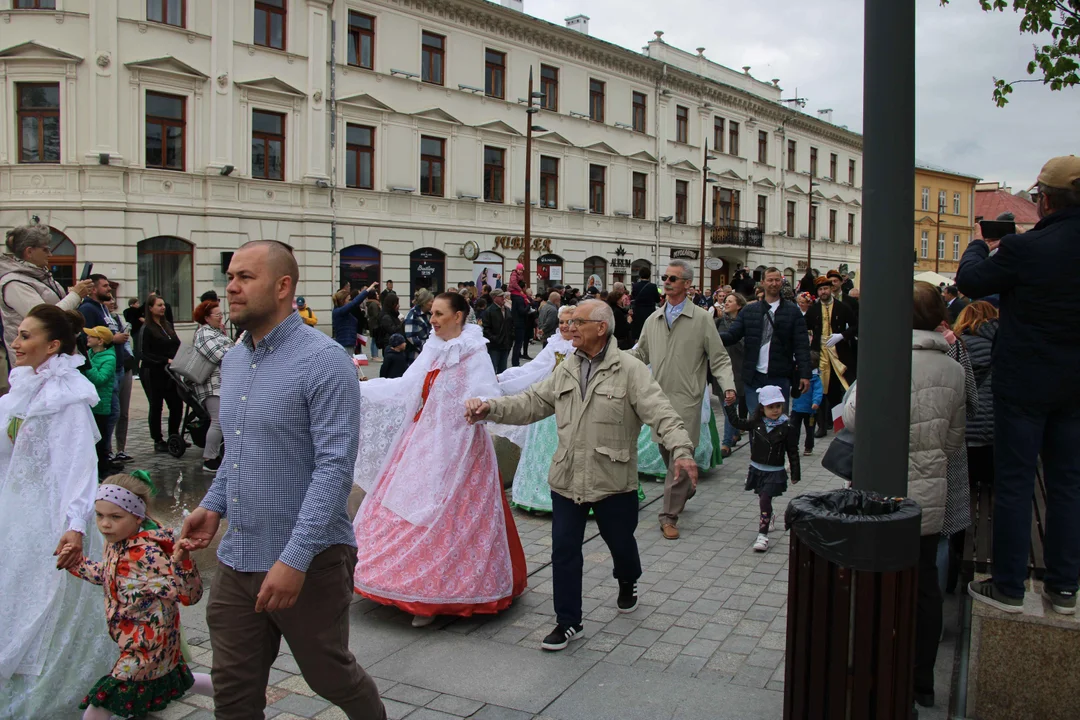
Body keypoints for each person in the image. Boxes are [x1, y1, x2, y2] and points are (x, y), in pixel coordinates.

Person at [179, 240, 386, 720]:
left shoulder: (324, 360)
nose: (231, 287)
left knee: (329, 675)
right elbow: (240, 451)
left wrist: (293, 559)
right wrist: (214, 505)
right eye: (231, 276)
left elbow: (335, 467)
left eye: (246, 277)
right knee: (233, 690)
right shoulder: (233, 359)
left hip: (309, 560)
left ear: (283, 286)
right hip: (239, 558)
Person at [466, 300, 696, 650]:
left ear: (601, 328)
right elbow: (530, 402)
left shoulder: (631, 370)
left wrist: (681, 450)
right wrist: (490, 407)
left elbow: (662, 414)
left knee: (621, 545)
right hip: (568, 477)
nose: (569, 327)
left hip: (613, 480)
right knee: (564, 551)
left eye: (577, 321)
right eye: (568, 321)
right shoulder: (566, 368)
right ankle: (568, 621)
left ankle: (627, 579)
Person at [353, 292, 526, 627]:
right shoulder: (432, 347)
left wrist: (478, 403)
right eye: (431, 313)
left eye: (439, 314)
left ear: (459, 316)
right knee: (403, 503)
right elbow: (407, 386)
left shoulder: (474, 350)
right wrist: (362, 388)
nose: (432, 319)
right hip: (422, 441)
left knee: (449, 515)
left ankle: (435, 597)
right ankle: (409, 587)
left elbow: (486, 393)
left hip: (460, 447)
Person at [957, 154, 1080, 616]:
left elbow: (970, 280)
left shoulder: (1027, 249)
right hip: (1076, 386)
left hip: (1025, 383)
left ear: (1043, 199)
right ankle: (1065, 587)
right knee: (1068, 483)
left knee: (1015, 481)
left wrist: (982, 242)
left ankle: (1009, 584)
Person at [842, 281, 966, 709]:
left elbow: (853, 418)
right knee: (925, 586)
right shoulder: (953, 368)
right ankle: (921, 682)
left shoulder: (884, 357)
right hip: (929, 491)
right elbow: (954, 440)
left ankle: (875, 669)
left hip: (879, 489)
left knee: (875, 579)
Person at [0, 305, 118, 718]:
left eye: (26, 336)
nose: (16, 343)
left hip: (55, 517)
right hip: (18, 513)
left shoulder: (67, 396)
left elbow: (79, 465)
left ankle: (54, 689)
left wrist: (73, 525)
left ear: (52, 346)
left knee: (48, 607)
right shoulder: (22, 387)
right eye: (17, 334)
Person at [60, 472, 213, 720]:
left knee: (103, 700)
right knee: (180, 680)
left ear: (137, 516)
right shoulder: (116, 543)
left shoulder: (148, 555)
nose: (105, 524)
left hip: (149, 645)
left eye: (115, 517)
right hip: (137, 640)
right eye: (99, 515)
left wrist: (184, 561)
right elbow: (110, 576)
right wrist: (75, 564)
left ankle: (239, 697)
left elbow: (189, 594)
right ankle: (239, 696)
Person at [629, 259, 736, 540]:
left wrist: (728, 386)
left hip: (687, 401)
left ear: (687, 285)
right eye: (665, 277)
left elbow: (720, 357)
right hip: (658, 402)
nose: (666, 282)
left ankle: (668, 516)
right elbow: (641, 355)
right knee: (669, 456)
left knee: (679, 458)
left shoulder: (701, 319)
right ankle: (686, 486)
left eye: (673, 278)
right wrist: (611, 354)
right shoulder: (653, 319)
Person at [488, 305, 576, 512]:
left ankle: (570, 496)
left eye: (569, 322)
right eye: (561, 322)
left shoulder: (583, 346)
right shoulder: (554, 345)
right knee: (543, 449)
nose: (564, 326)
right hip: (548, 406)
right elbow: (532, 368)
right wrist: (502, 378)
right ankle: (538, 494)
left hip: (573, 408)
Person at [0, 224, 93, 394]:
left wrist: (72, 296)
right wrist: (75, 296)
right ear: (29, 251)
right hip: (35, 368)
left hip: (52, 362)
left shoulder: (39, 276)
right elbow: (45, 317)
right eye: (45, 249)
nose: (50, 254)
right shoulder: (14, 283)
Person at [719, 267, 812, 412]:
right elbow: (733, 335)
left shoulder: (792, 311)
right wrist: (709, 336)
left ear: (781, 282)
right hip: (754, 376)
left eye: (777, 280)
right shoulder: (750, 310)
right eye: (770, 280)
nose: (773, 283)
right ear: (763, 282)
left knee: (778, 423)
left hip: (780, 375)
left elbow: (802, 345)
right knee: (756, 423)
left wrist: (805, 374)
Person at [725, 386, 801, 552]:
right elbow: (737, 422)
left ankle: (762, 535)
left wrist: (795, 472)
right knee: (763, 498)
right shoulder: (756, 422)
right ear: (762, 408)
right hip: (757, 469)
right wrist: (729, 406)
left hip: (775, 471)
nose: (775, 411)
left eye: (778, 406)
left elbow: (793, 451)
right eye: (770, 407)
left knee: (765, 499)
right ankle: (769, 515)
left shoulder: (786, 427)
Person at [79, 275, 131, 462]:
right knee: (107, 414)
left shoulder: (104, 308)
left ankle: (107, 452)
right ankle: (103, 455)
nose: (109, 288)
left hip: (117, 365)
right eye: (105, 285)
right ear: (93, 289)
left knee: (116, 413)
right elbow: (87, 337)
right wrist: (113, 339)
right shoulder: (87, 309)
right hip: (103, 366)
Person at [805, 275, 858, 436]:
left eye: (826, 288)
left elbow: (856, 325)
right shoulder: (813, 310)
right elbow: (803, 327)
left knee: (838, 391)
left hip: (839, 354)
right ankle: (822, 426)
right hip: (820, 355)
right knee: (820, 392)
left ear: (831, 289)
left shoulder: (842, 307)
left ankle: (840, 424)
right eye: (821, 289)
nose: (824, 292)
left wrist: (842, 335)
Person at [139, 294, 182, 453]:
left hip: (169, 373)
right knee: (156, 405)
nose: (163, 307)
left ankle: (174, 436)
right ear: (150, 308)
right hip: (153, 372)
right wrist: (165, 360)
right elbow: (144, 353)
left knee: (177, 404)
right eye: (159, 305)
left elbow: (176, 345)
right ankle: (157, 439)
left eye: (163, 304)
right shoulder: (147, 329)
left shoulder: (168, 325)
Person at [192, 300, 232, 472]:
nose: (221, 317)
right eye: (218, 315)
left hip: (223, 383)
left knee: (223, 420)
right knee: (218, 421)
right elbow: (218, 356)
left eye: (221, 314)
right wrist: (236, 348)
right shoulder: (203, 334)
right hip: (212, 385)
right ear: (207, 318)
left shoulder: (217, 332)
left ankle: (221, 454)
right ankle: (209, 459)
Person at [85, 326, 120, 478]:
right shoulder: (91, 354)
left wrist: (86, 366)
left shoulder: (109, 358)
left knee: (100, 441)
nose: (88, 338)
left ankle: (103, 471)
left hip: (100, 407)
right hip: (89, 406)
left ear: (100, 341)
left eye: (91, 336)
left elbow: (99, 379)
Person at [714, 292, 747, 456]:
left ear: (739, 305)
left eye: (730, 301)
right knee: (727, 406)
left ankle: (727, 442)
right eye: (725, 300)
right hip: (720, 369)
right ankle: (732, 435)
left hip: (738, 368)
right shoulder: (718, 322)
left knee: (730, 405)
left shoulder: (744, 324)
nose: (725, 303)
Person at [104, 299, 134, 462]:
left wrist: (130, 357)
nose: (112, 301)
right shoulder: (100, 317)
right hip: (111, 369)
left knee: (123, 412)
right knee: (111, 412)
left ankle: (120, 449)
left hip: (125, 365)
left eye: (112, 298)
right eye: (108, 299)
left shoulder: (117, 319)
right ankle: (107, 450)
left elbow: (126, 341)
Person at [789, 350, 823, 456]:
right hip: (796, 408)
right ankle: (794, 446)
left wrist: (816, 402)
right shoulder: (798, 375)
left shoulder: (816, 379)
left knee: (810, 430)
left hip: (810, 410)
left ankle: (808, 447)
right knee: (794, 430)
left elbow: (818, 392)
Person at [331, 282, 378, 352]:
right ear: (343, 300)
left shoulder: (341, 311)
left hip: (349, 342)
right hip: (345, 343)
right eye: (348, 299)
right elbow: (355, 302)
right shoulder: (340, 311)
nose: (349, 301)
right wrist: (369, 289)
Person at [483, 288, 514, 373]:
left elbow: (511, 325)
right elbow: (486, 329)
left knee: (503, 370)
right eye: (500, 296)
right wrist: (494, 339)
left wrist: (511, 337)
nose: (503, 298)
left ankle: (501, 385)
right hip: (495, 346)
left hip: (506, 344)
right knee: (492, 368)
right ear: (494, 298)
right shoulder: (489, 311)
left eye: (503, 296)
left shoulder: (507, 310)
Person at [629, 266, 661, 342]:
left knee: (638, 332)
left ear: (640, 275)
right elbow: (657, 300)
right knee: (649, 332)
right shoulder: (653, 286)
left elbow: (633, 297)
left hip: (638, 312)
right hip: (649, 312)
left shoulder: (635, 286)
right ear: (649, 275)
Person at [403, 288, 434, 362]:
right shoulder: (413, 315)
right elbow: (411, 337)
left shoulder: (429, 314)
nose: (433, 303)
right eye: (431, 301)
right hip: (416, 357)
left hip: (428, 355)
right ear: (424, 302)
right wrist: (427, 349)